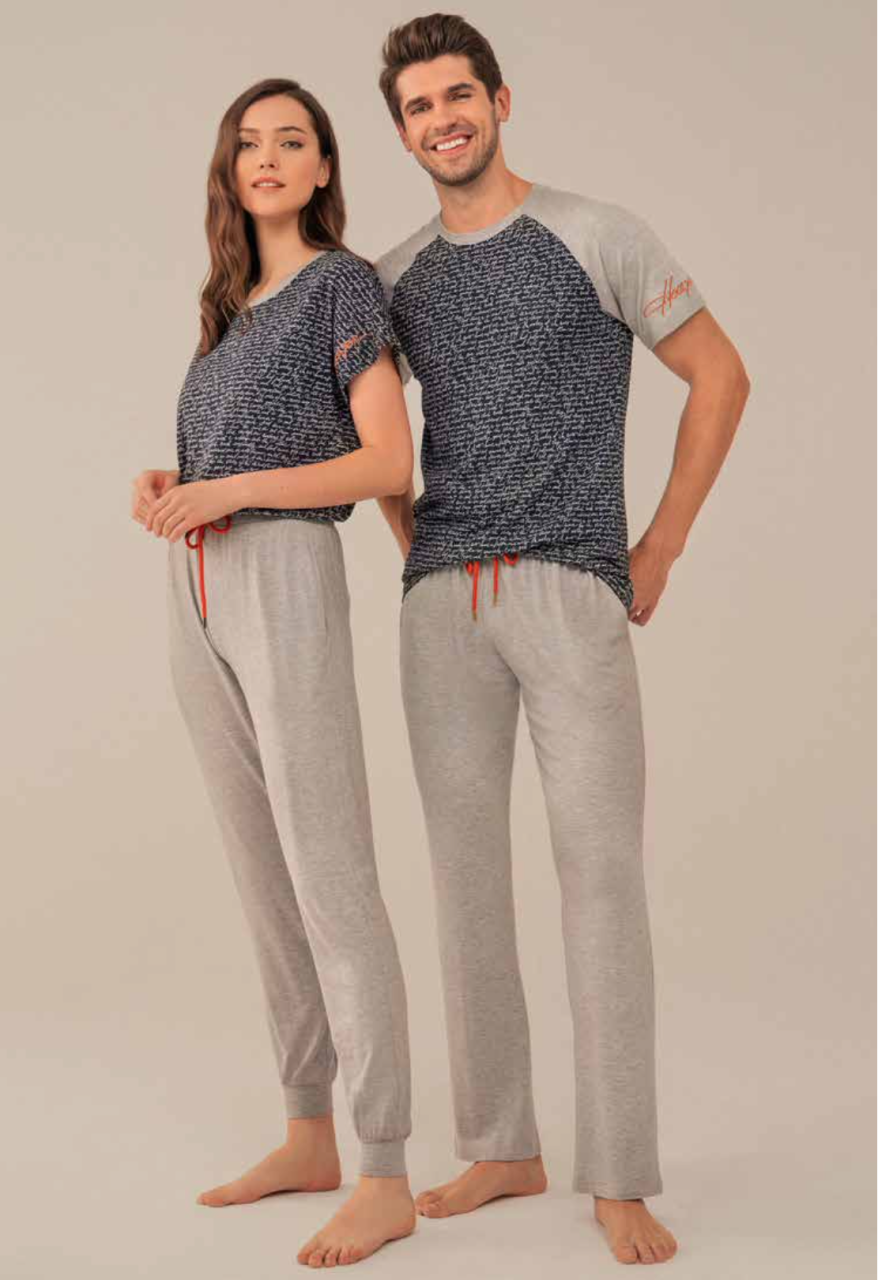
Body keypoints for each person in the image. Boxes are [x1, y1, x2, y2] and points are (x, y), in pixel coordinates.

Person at [373, 14, 750, 1267]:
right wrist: (412, 535)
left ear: (499, 100)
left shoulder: (596, 233)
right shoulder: (395, 277)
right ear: (401, 131)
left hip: (571, 594)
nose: (442, 119)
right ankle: (500, 1143)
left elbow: (719, 374)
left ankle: (619, 1171)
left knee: (598, 878)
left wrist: (660, 547)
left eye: (457, 95)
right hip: (442, 608)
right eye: (418, 107)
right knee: (464, 882)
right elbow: (364, 429)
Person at [130, 78, 418, 1269]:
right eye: (247, 142)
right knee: (262, 873)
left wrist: (236, 489)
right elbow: (236, 446)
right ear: (228, 167)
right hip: (195, 585)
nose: (266, 157)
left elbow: (385, 459)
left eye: (290, 141)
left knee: (327, 867)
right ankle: (308, 1131)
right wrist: (175, 485)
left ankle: (384, 1168)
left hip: (285, 575)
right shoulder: (227, 304)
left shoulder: (342, 286)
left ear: (321, 166)